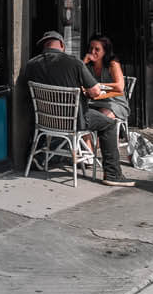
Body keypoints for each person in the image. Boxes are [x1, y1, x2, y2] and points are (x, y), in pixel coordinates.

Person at [21, 31, 132, 186]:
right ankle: (112, 174)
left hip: (44, 122)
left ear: (44, 46)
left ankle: (48, 156)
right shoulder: (74, 63)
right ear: (62, 45)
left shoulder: (30, 64)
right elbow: (95, 92)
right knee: (109, 124)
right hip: (74, 120)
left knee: (97, 115)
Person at [82, 35, 131, 123]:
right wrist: (83, 63)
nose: (92, 51)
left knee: (99, 117)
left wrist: (97, 86)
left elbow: (120, 87)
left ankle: (100, 137)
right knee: (81, 115)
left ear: (105, 51)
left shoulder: (113, 64)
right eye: (91, 48)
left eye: (97, 49)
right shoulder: (88, 66)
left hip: (115, 103)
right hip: (93, 102)